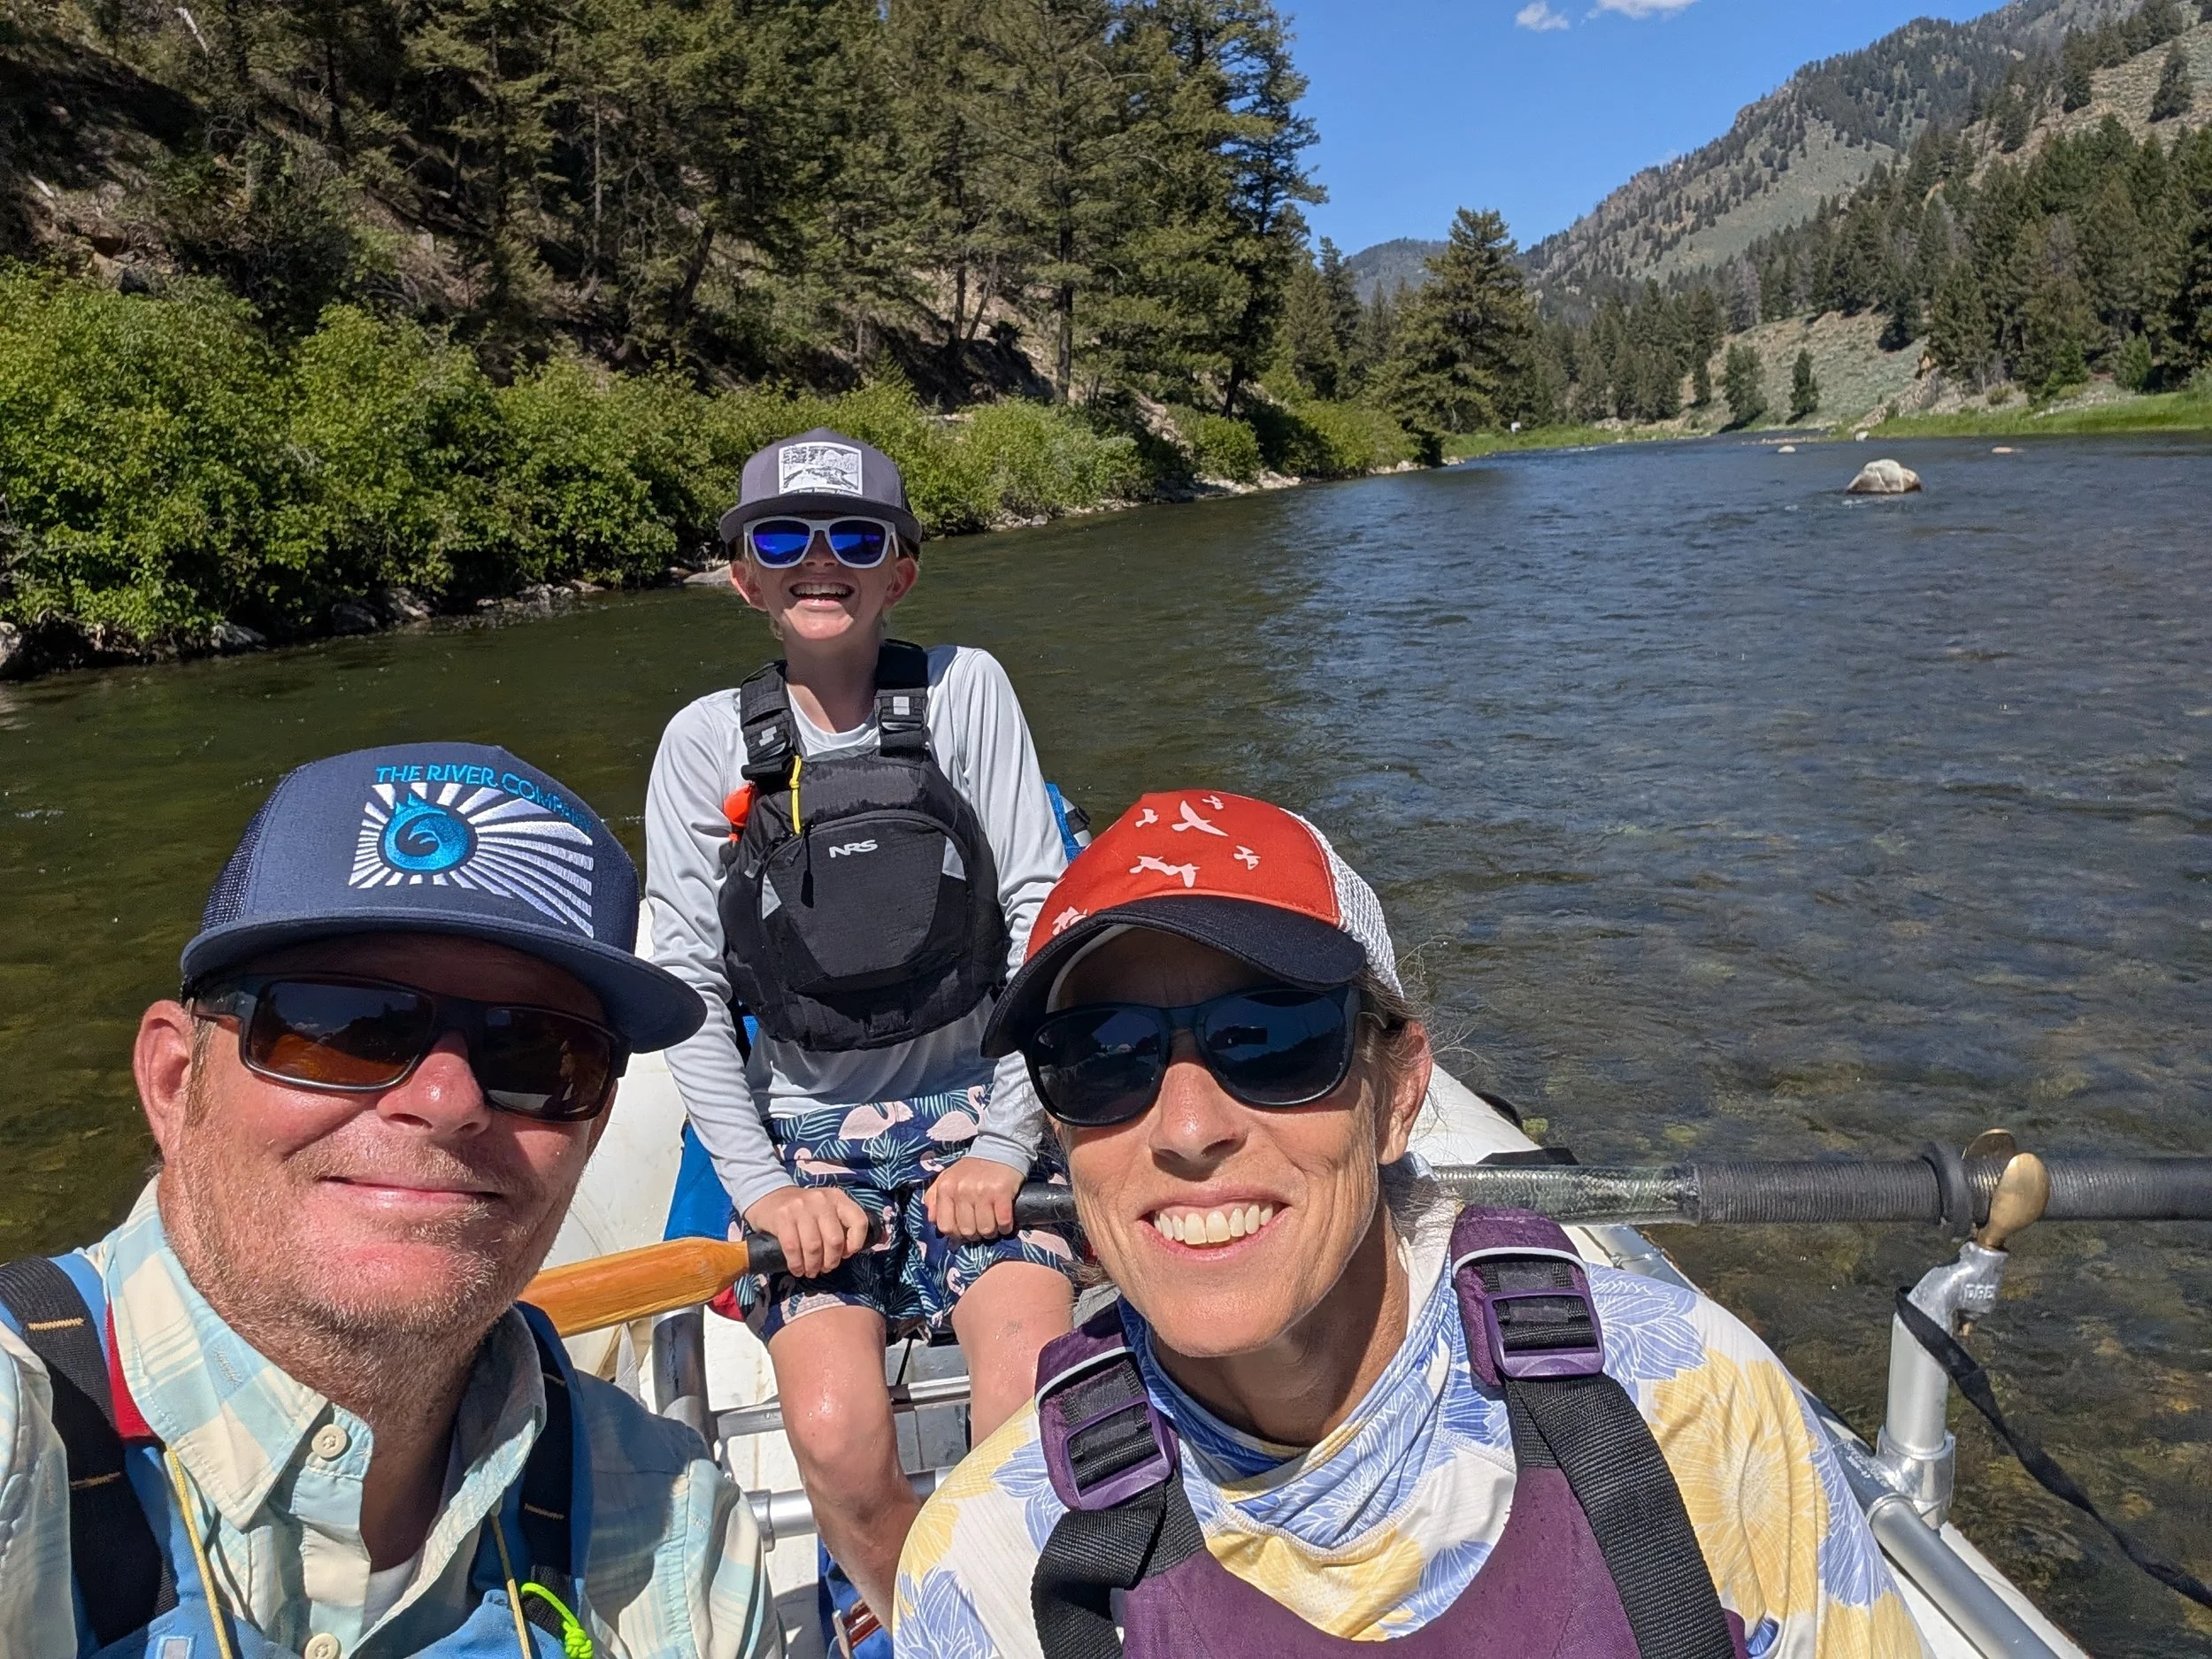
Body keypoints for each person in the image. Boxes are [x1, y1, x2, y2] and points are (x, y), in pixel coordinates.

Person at [894, 790, 1921, 1658]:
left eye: (1271, 1039)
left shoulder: (1688, 1403)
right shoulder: (991, 1558)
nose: (1190, 1129)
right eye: (1100, 1054)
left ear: (1396, 1094)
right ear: (1059, 1131)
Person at [0, 742, 780, 1657]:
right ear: (176, 1083)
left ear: (592, 1128)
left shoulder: (676, 1535)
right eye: (343, 1027)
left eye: (535, 1053)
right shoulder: (26, 1439)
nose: (448, 1103)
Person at [645, 429, 1078, 1626]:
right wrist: (762, 1185)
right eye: (780, 539)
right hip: (804, 1136)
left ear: (902, 569)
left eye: (854, 538)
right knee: (838, 1444)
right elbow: (682, 977)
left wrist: (1005, 1140)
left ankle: (1015, 1615)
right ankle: (909, 1621)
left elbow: (1042, 912)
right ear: (743, 575)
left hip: (979, 1104)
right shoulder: (702, 744)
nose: (817, 564)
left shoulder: (967, 690)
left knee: (1024, 1411)